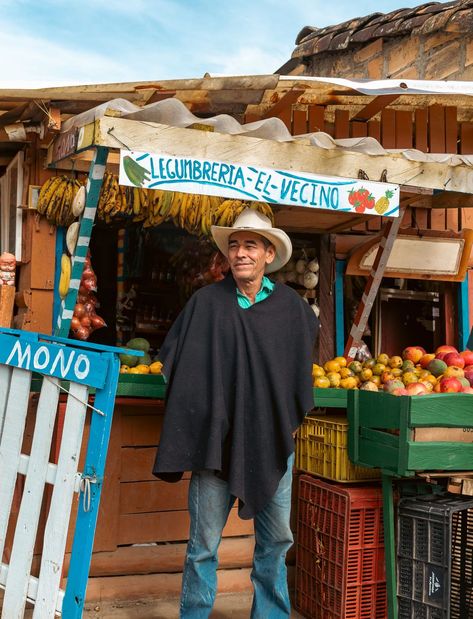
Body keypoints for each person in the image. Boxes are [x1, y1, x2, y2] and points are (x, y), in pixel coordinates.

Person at [153, 207, 318, 618]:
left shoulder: (292, 310)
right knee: (203, 544)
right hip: (216, 443)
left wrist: (286, 417)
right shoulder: (205, 304)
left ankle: (270, 614)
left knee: (276, 541)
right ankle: (194, 614)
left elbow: (300, 372)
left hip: (272, 440)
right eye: (234, 245)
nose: (240, 252)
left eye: (250, 245)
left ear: (267, 253)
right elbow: (173, 362)